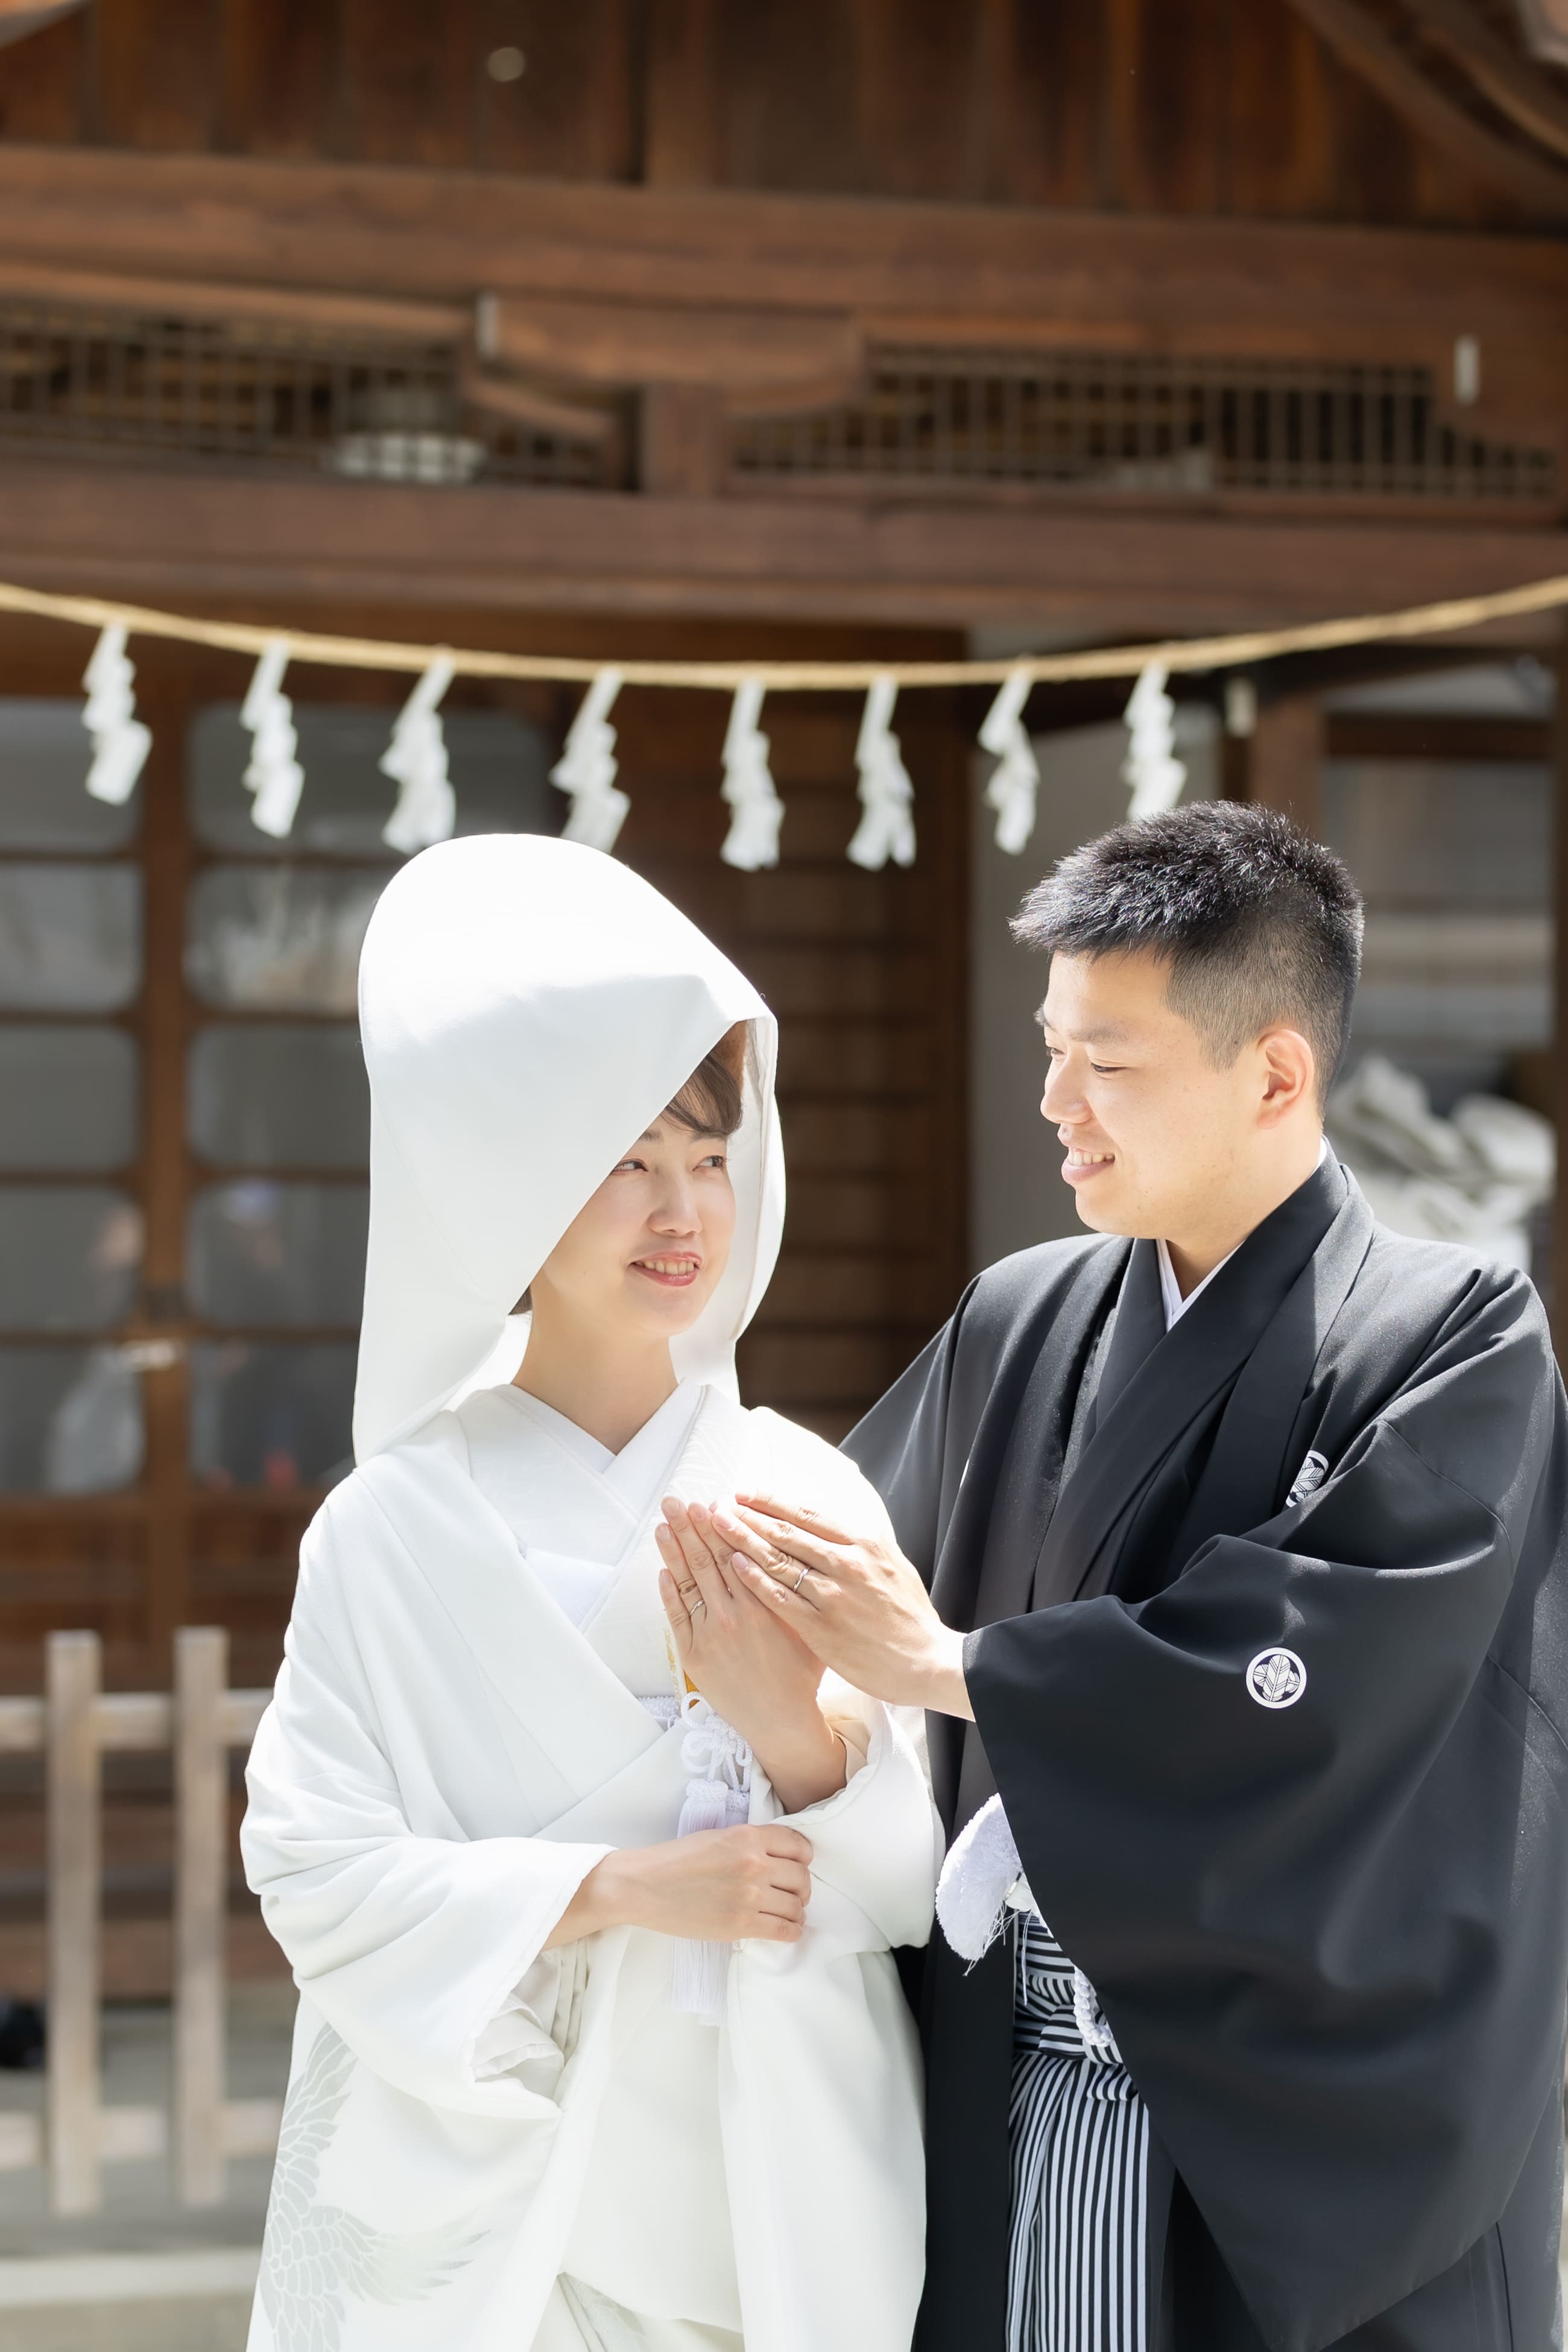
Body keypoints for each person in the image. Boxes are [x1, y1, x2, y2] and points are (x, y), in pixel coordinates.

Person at [704, 801, 1568, 2352]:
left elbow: (1334, 1675)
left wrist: (959, 1666)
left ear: (1275, 1074)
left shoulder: (1453, 1337)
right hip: (1015, 2072)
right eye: (1053, 1051)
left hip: (1293, 2138)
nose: (1057, 1105)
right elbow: (833, 1590)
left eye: (1107, 1065)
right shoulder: (1017, 1318)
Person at [242, 834, 938, 2352]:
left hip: (750, 2206)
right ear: (508, 1187)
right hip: (498, 2221)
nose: (682, 1212)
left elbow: (904, 1892)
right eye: (625, 1164)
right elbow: (309, 1867)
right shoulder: (395, 1523)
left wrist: (800, 1740)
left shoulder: (799, 1489)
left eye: (708, 1159)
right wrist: (610, 1889)